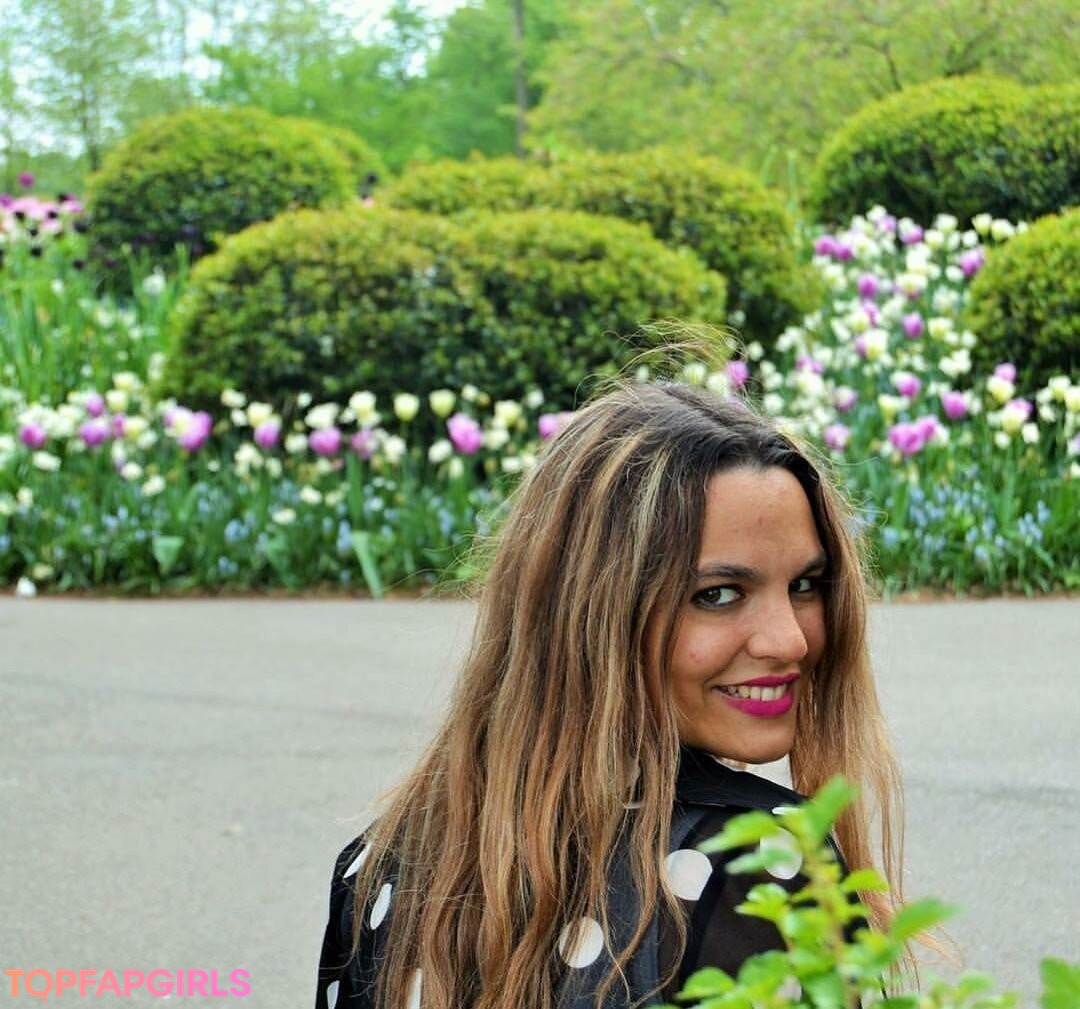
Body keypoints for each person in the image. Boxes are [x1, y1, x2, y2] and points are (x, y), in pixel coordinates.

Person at [315, 379, 905, 1009]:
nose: (790, 640)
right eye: (716, 595)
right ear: (593, 615)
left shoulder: (384, 863)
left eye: (806, 585)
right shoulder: (751, 863)